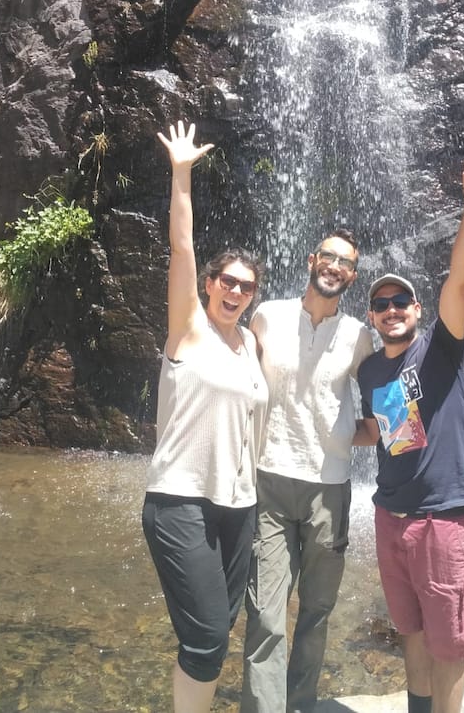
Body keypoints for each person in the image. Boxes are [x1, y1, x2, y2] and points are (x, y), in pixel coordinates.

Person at [355, 159, 464, 713]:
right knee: (409, 629)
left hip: (442, 519)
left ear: (416, 309)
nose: (391, 311)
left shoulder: (440, 347)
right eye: (381, 305)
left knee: (449, 644)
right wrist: (319, 435)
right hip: (390, 516)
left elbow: (459, 279)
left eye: (400, 303)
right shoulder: (370, 372)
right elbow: (379, 431)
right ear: (372, 317)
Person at [142, 119, 269, 713]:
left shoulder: (251, 345)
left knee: (220, 625)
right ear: (210, 283)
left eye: (247, 286)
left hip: (238, 505)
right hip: (180, 499)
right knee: (207, 638)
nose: (236, 292)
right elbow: (182, 247)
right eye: (227, 281)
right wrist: (182, 173)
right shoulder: (188, 327)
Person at [241, 228, 375, 713]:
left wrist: (341, 437)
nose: (335, 266)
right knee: (266, 613)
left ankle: (299, 704)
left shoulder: (359, 336)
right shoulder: (267, 316)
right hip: (270, 481)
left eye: (346, 262)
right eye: (329, 257)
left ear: (352, 276)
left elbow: (381, 417)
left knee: (317, 611)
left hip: (330, 491)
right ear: (312, 260)